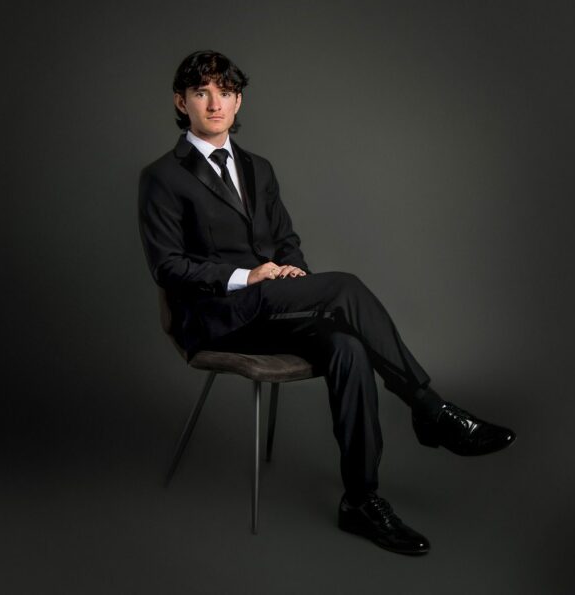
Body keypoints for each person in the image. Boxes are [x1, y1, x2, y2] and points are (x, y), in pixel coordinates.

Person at [138, 50, 516, 555]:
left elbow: (287, 239)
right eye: (202, 92)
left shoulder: (259, 169)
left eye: (224, 92)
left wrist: (292, 271)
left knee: (347, 346)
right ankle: (429, 408)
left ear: (238, 99)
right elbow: (168, 267)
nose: (215, 103)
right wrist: (247, 275)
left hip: (272, 305)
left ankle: (360, 500)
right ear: (181, 102)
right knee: (344, 288)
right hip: (215, 317)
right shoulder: (162, 177)